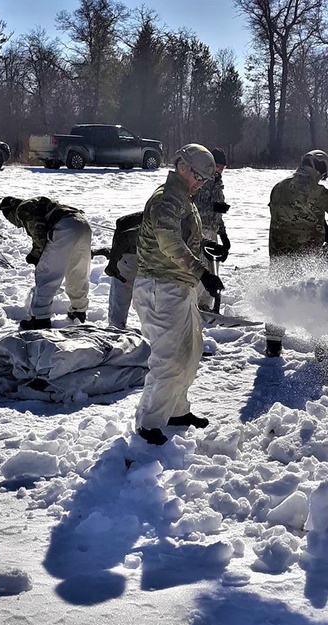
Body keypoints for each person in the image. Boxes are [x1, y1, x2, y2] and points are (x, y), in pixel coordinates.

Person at [132, 143, 224, 446]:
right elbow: (169, 242)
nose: (199, 183)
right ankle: (149, 421)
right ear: (181, 166)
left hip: (178, 286)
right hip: (160, 287)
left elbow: (185, 239)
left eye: (204, 179)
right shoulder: (167, 198)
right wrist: (203, 273)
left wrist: (203, 249)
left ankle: (175, 410)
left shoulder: (186, 197)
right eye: (197, 176)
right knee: (168, 358)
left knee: (190, 352)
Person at [265, 149, 328, 358]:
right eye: (322, 173)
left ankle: (273, 346)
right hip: (309, 260)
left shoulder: (278, 187)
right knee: (317, 299)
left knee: (278, 298)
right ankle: (322, 347)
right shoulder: (318, 192)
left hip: (279, 257)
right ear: (318, 169)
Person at [0, 196, 92, 330]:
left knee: (47, 274)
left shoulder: (22, 208)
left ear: (10, 212)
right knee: (77, 271)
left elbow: (39, 231)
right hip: (82, 224)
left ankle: (40, 318)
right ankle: (79, 310)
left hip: (64, 227)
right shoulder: (38, 204)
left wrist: (36, 254)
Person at [192, 147, 231, 312]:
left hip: (212, 230)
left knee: (213, 267)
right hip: (200, 228)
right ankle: (195, 302)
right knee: (202, 267)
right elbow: (196, 207)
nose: (220, 170)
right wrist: (213, 207)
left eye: (223, 167)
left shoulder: (217, 181)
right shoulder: (201, 180)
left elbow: (217, 212)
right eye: (219, 166)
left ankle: (206, 304)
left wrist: (223, 234)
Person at [105, 211, 142, 329]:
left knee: (122, 294)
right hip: (130, 254)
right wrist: (113, 262)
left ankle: (116, 326)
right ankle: (116, 328)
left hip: (135, 255)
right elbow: (123, 237)